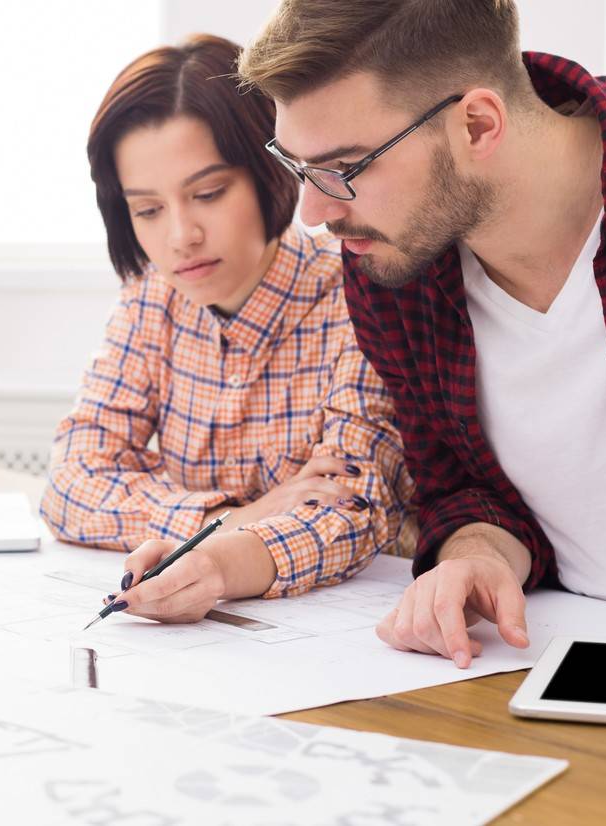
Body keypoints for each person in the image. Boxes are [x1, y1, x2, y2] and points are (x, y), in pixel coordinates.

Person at [238, 0, 606, 666]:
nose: (313, 212)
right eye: (296, 165)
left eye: (344, 169)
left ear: (478, 124)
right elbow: (463, 491)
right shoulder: (392, 263)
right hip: (561, 666)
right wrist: (477, 557)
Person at [40, 34, 414, 623]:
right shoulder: (150, 301)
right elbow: (70, 485)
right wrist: (240, 517)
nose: (180, 236)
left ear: (273, 171)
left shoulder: (357, 295)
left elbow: (354, 508)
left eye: (208, 193)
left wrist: (217, 559)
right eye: (147, 209)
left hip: (350, 626)